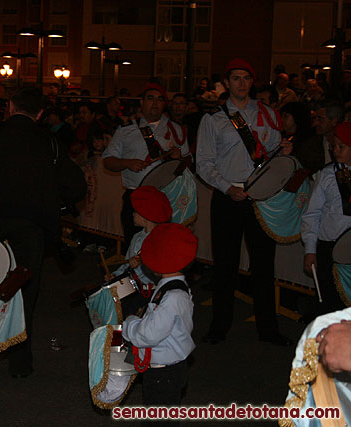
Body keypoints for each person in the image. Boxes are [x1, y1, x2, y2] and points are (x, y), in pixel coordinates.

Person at [0, 86, 79, 377]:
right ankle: (20, 363)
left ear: (9, 106)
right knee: (24, 295)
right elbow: (75, 185)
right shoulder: (48, 142)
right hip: (30, 230)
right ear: (41, 113)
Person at [196, 58, 292, 346]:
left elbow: (275, 154)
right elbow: (203, 163)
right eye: (235, 78)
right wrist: (227, 188)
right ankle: (219, 326)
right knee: (225, 264)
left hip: (261, 198)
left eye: (246, 78)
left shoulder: (270, 115)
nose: (241, 83)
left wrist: (285, 149)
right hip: (228, 198)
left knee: (264, 265)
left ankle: (268, 328)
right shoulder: (213, 119)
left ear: (253, 82)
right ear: (227, 83)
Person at [122, 222, 196, 424]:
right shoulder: (175, 287)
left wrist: (129, 322)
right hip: (169, 367)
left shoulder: (171, 296)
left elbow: (147, 336)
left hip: (164, 372)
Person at [103, 82, 189, 251]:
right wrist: (128, 163)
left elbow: (188, 164)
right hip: (136, 197)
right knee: (134, 249)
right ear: (141, 102)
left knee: (164, 249)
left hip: (167, 197)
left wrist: (177, 160)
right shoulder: (126, 130)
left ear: (165, 104)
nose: (155, 103)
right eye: (150, 98)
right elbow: (108, 161)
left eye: (159, 99)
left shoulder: (176, 130)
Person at [301, 122, 351, 316]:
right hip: (328, 247)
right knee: (329, 304)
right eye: (334, 146)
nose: (335, 151)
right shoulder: (327, 175)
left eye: (342, 147)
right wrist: (310, 250)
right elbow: (312, 213)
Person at [106, 186, 173, 313]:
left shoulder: (159, 239)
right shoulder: (137, 236)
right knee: (109, 300)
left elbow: (160, 270)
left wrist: (143, 263)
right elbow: (126, 265)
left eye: (136, 212)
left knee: (124, 310)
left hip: (148, 290)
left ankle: (125, 330)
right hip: (131, 284)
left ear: (146, 217)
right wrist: (115, 275)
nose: (133, 214)